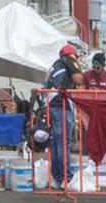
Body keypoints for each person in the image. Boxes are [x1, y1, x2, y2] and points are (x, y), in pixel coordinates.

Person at [43, 43, 84, 189]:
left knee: (55, 143)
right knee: (63, 143)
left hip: (50, 104)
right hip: (61, 104)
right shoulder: (68, 59)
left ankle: (57, 177)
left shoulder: (54, 65)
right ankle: (67, 178)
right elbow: (79, 79)